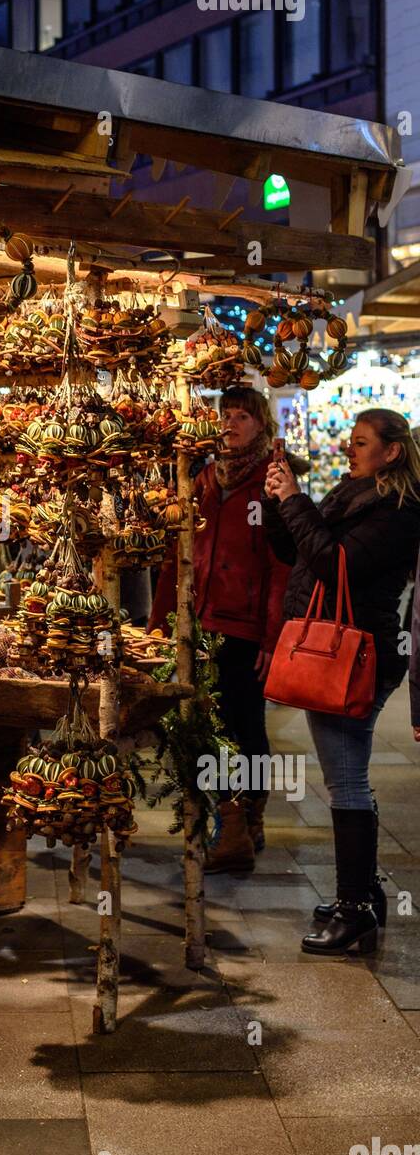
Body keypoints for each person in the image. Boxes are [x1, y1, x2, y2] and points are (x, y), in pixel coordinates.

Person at [264, 408, 420, 956]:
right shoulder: (352, 492)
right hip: (333, 645)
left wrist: (295, 500)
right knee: (348, 776)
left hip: (354, 654)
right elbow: (297, 552)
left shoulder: (398, 510)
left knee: (347, 780)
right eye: (350, 442)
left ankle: (355, 909)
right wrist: (281, 498)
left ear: (392, 451)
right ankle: (366, 894)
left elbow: (337, 566)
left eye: (361, 443)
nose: (351, 450)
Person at [149, 385, 295, 872]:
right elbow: (177, 556)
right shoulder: (203, 480)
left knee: (245, 726)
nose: (230, 423)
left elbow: (282, 571)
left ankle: (245, 823)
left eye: (242, 416)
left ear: (261, 424)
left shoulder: (272, 485)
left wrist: (273, 639)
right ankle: (233, 824)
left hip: (244, 631)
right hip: (198, 624)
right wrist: (158, 622)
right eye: (225, 415)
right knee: (201, 727)